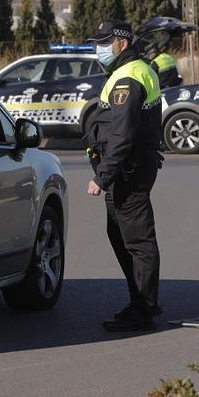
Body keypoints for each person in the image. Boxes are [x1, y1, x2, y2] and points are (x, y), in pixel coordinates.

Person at [85, 20, 164, 332]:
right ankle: (138, 302)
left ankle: (144, 308)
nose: (99, 48)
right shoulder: (128, 71)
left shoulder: (129, 77)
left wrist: (102, 176)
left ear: (122, 43)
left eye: (104, 42)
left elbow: (122, 135)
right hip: (125, 170)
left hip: (126, 170)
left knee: (137, 240)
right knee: (120, 235)